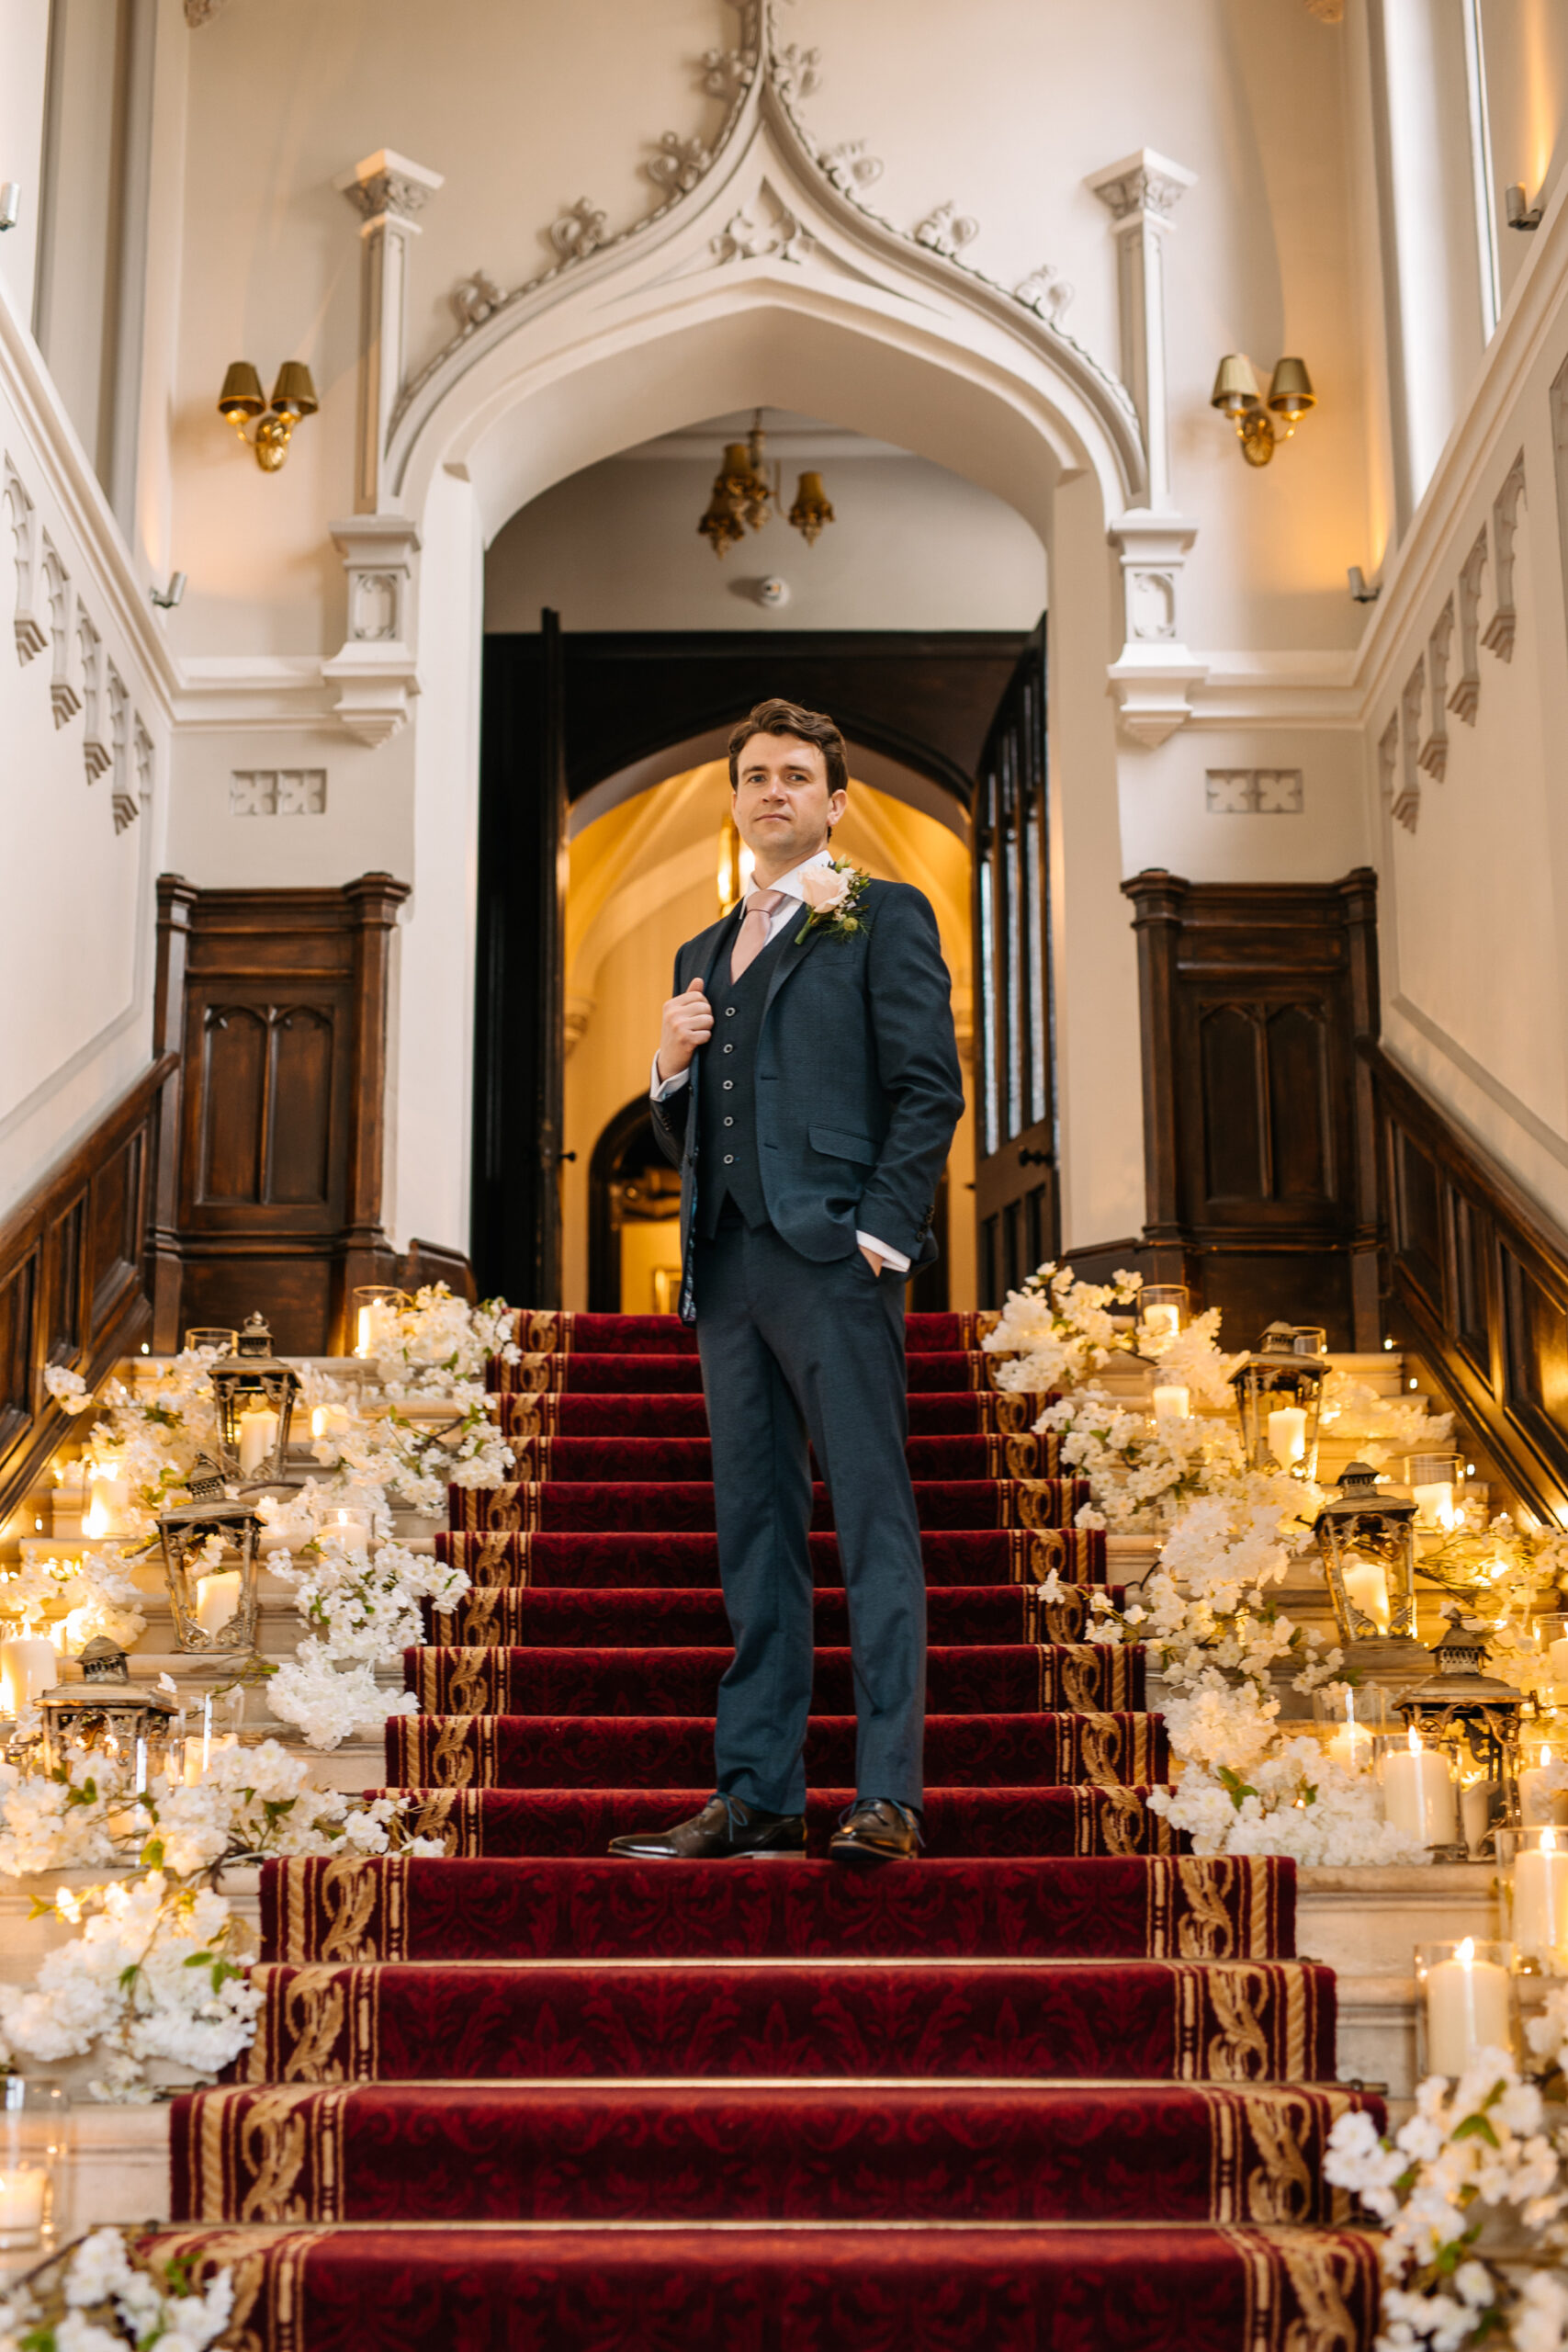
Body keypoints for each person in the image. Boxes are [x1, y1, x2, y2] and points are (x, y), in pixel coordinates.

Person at [606, 698, 964, 1868]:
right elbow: (689, 1141)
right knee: (753, 1530)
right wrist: (665, 1068)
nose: (773, 791)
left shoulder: (883, 915)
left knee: (870, 1519)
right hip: (730, 1268)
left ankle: (888, 1795)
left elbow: (928, 1089)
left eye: (796, 775)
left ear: (834, 800)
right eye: (756, 774)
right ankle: (756, 1790)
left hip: (835, 1263)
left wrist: (881, 1236)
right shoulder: (697, 953)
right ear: (736, 796)